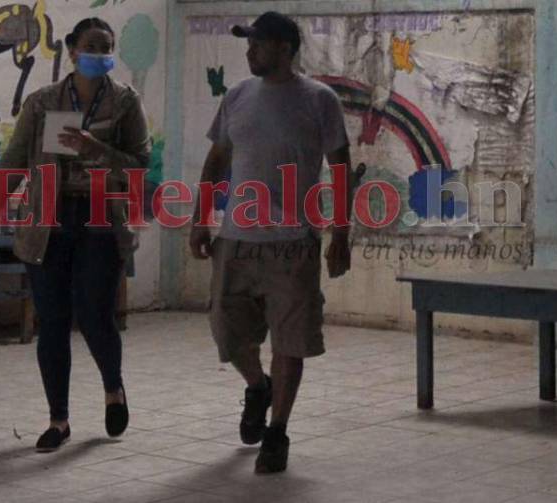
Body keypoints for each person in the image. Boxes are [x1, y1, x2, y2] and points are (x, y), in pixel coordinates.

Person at [0, 17, 151, 452]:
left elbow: (140, 165)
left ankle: (113, 388)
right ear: (71, 49)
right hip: (47, 220)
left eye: (106, 47)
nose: (99, 54)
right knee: (53, 321)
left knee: (95, 314)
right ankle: (58, 420)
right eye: (91, 46)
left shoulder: (125, 103)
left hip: (101, 217)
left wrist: (97, 149)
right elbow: (12, 164)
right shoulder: (42, 102)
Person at [189, 11, 352, 474]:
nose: (250, 51)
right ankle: (258, 386)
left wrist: (341, 234)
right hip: (236, 239)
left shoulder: (319, 100)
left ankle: (277, 432)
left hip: (293, 242)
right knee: (227, 331)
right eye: (249, 43)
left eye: (257, 43)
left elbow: (341, 169)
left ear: (285, 48)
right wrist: (200, 219)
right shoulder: (238, 96)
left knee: (290, 339)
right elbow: (217, 160)